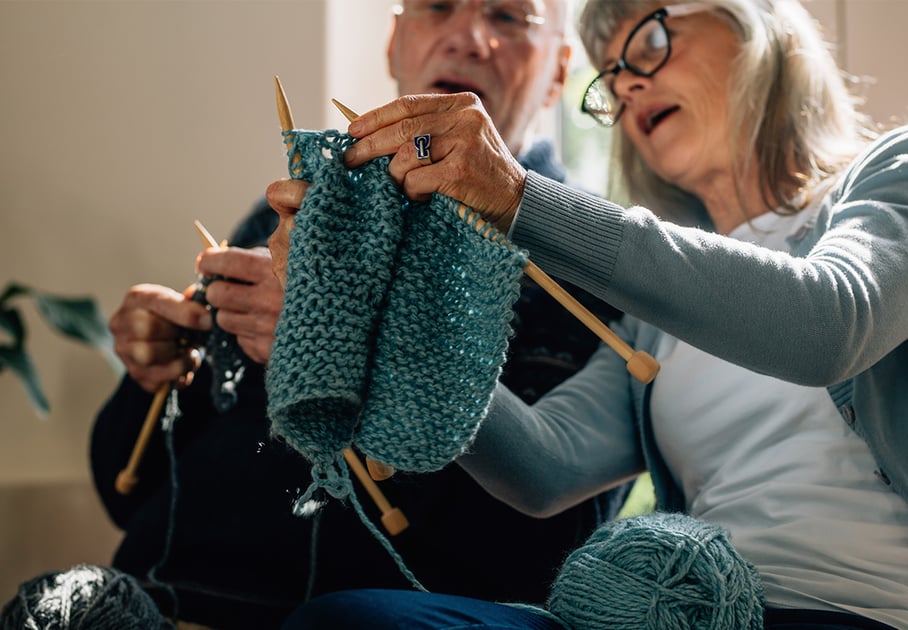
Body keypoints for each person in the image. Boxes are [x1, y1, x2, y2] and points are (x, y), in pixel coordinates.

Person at [267, 0, 908, 628]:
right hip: (686, 611)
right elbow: (544, 468)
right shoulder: (659, 316)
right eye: (611, 76)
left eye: (649, 41)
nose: (624, 85)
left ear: (760, 29)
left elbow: (827, 322)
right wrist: (382, 310)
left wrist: (519, 199)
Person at [90, 1, 633, 628]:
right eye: (437, 6)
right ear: (395, 43)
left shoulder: (581, 262)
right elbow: (123, 492)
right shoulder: (294, 218)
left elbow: (542, 555)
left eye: (509, 16)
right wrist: (154, 377)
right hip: (160, 601)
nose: (469, 38)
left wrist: (349, 344)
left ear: (560, 70)